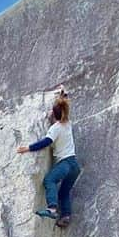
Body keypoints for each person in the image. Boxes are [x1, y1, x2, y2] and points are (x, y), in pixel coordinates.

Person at [16, 91, 80, 228]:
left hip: (65, 164)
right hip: (74, 166)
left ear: (54, 115)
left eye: (51, 112)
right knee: (64, 191)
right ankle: (66, 215)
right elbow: (64, 107)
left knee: (49, 180)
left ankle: (51, 209)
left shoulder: (55, 128)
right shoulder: (67, 123)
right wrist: (63, 95)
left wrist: (28, 148)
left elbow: (45, 142)